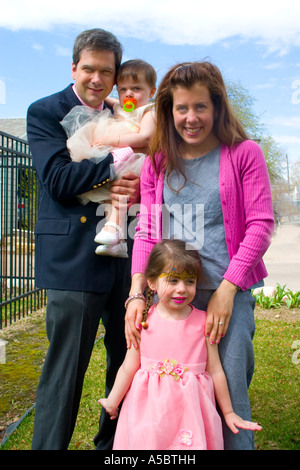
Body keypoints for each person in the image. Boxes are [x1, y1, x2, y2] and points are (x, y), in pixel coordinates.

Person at [124, 62, 275, 450]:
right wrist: (138, 292)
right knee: (171, 389)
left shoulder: (244, 154)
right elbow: (147, 231)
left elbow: (260, 224)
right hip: (172, 297)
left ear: (217, 106)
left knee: (230, 388)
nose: (191, 118)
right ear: (169, 111)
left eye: (201, 107)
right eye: (181, 108)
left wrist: (228, 289)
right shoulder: (157, 162)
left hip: (228, 293)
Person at [26, 28, 140, 450]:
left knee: (127, 361)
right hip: (73, 260)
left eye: (105, 72)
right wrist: (117, 157)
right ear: (74, 67)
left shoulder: (124, 114)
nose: (96, 79)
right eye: (88, 69)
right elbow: (57, 180)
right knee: (64, 373)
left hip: (128, 260)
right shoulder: (45, 112)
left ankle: (114, 448)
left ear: (115, 76)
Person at [99, 239, 262, 450]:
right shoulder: (144, 321)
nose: (182, 289)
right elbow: (128, 366)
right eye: (173, 281)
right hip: (149, 411)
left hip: (191, 412)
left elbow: (216, 370)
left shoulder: (204, 322)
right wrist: (113, 401)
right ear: (151, 282)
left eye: (190, 282)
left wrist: (229, 412)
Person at [60, 59, 156, 258]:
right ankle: (117, 239)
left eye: (136, 88)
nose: (128, 94)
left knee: (121, 190)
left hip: (136, 157)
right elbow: (107, 100)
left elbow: (145, 137)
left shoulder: (149, 111)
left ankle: (113, 228)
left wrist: (114, 139)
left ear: (152, 92)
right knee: (109, 193)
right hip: (118, 158)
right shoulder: (122, 106)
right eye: (123, 89)